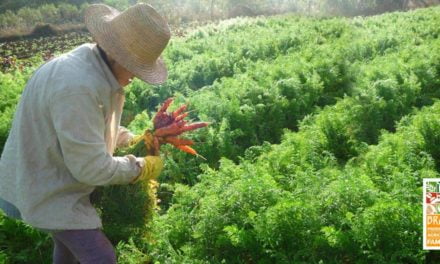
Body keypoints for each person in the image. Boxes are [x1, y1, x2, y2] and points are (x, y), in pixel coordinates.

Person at [0, 3, 171, 263]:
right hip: (46, 186)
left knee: (67, 248)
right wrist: (141, 167)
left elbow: (94, 126)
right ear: (117, 55)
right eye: (136, 67)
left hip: (52, 176)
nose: (137, 75)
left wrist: (131, 139)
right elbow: (91, 168)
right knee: (100, 256)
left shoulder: (90, 68)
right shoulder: (78, 86)